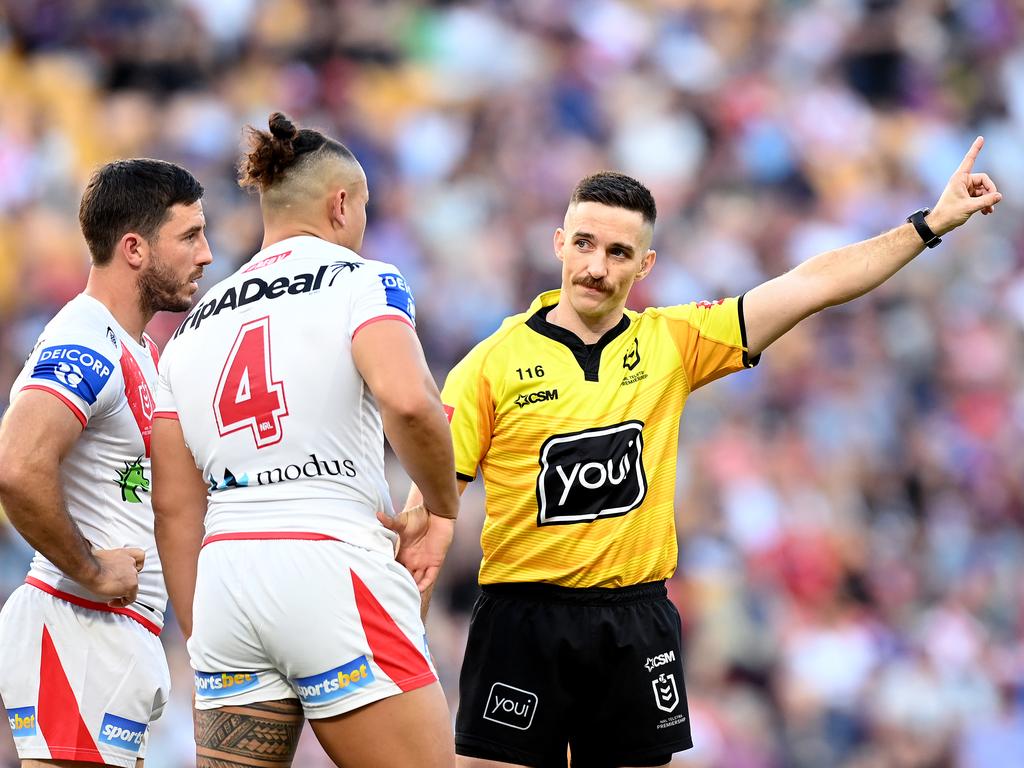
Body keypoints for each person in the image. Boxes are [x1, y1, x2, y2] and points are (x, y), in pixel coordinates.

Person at [388, 137, 1002, 768]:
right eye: (584, 244)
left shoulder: (672, 342)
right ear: (558, 244)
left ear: (644, 265)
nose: (597, 266)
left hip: (634, 618)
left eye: (619, 252)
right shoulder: (490, 364)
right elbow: (435, 504)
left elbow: (806, 287)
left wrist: (928, 224)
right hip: (523, 616)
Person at [150, 112, 459, 768]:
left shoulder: (191, 326)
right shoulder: (363, 280)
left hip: (227, 579)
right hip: (330, 564)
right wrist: (441, 506)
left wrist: (205, 636)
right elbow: (409, 402)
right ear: (341, 203)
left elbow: (175, 507)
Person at [0, 159, 212, 767]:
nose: (206, 254)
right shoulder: (85, 339)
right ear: (134, 248)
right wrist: (91, 569)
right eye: (190, 236)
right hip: (78, 627)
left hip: (115, 636)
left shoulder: (136, 346)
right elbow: (17, 465)